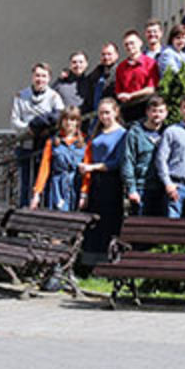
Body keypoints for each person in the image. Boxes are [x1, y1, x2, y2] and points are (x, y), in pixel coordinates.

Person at [78, 97, 127, 259]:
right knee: (93, 221)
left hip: (110, 181)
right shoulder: (96, 131)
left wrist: (93, 167)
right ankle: (90, 259)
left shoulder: (122, 134)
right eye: (101, 113)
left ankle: (106, 259)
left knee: (108, 221)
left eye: (107, 113)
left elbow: (116, 162)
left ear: (116, 112)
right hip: (95, 181)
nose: (104, 117)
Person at [11, 62, 64, 204]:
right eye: (37, 75)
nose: (40, 79)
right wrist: (29, 129)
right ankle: (23, 213)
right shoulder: (21, 96)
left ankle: (43, 213)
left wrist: (41, 124)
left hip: (45, 144)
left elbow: (59, 118)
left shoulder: (54, 97)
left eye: (44, 76)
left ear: (49, 78)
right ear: (32, 77)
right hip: (25, 144)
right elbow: (15, 121)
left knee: (44, 182)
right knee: (26, 183)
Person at [29, 107, 86, 211]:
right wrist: (37, 193)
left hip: (76, 184)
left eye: (72, 119)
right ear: (61, 121)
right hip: (57, 187)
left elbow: (87, 171)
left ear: (78, 122)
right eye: (66, 119)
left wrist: (84, 193)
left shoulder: (85, 143)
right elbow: (44, 168)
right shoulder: (52, 142)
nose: (69, 122)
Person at [122, 95, 168, 216]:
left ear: (166, 113)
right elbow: (128, 161)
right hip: (141, 187)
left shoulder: (168, 132)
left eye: (161, 111)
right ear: (147, 112)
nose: (157, 114)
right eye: (153, 111)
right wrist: (131, 189)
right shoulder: (135, 133)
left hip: (162, 188)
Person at [115, 28, 160, 123]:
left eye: (132, 43)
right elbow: (118, 91)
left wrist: (131, 95)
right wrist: (122, 96)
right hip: (127, 112)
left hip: (145, 110)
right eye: (126, 44)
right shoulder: (121, 67)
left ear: (140, 43)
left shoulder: (150, 63)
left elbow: (151, 89)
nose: (129, 46)